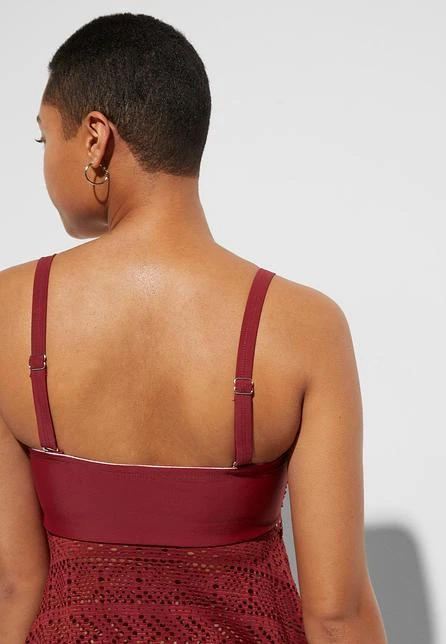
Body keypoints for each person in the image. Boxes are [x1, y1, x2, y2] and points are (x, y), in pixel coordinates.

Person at [0, 12, 387, 644]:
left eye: (46, 139)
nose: (44, 163)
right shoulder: (305, 327)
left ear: (95, 138)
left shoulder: (8, 313)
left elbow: (13, 587)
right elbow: (336, 614)